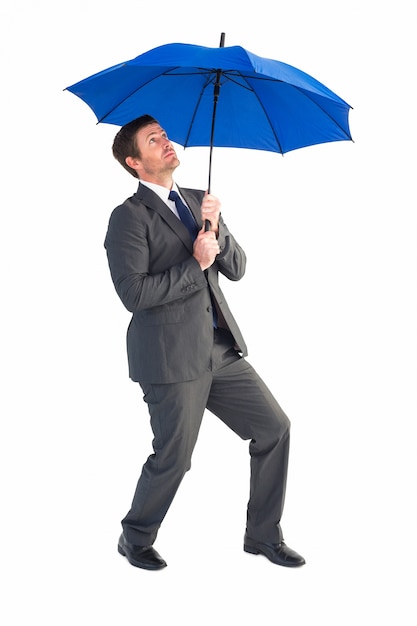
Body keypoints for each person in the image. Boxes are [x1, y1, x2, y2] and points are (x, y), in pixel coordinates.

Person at [104, 114, 305, 570]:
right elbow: (133, 295)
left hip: (220, 350)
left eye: (166, 134)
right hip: (170, 358)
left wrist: (217, 227)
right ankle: (134, 536)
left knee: (275, 428)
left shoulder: (199, 201)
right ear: (135, 162)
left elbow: (236, 268)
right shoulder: (128, 218)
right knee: (175, 458)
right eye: (154, 140)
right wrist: (194, 263)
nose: (166, 142)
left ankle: (262, 535)